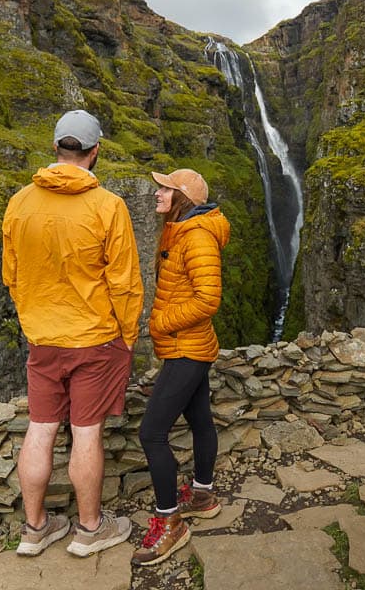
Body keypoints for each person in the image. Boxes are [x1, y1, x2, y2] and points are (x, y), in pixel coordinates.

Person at [1, 109, 144, 557]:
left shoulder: (20, 202)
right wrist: (128, 336)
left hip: (43, 339)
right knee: (86, 433)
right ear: (95, 151)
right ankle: (89, 529)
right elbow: (125, 281)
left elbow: (12, 275)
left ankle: (35, 527)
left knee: (40, 428)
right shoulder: (108, 206)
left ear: (56, 149)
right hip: (95, 339)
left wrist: (33, 319)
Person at [132, 168, 231, 567]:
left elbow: (209, 299)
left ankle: (170, 522)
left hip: (186, 348)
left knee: (151, 433)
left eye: (165, 189)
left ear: (183, 197)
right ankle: (203, 496)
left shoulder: (198, 236)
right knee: (200, 418)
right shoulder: (180, 229)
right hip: (188, 347)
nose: (157, 193)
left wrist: (160, 322)